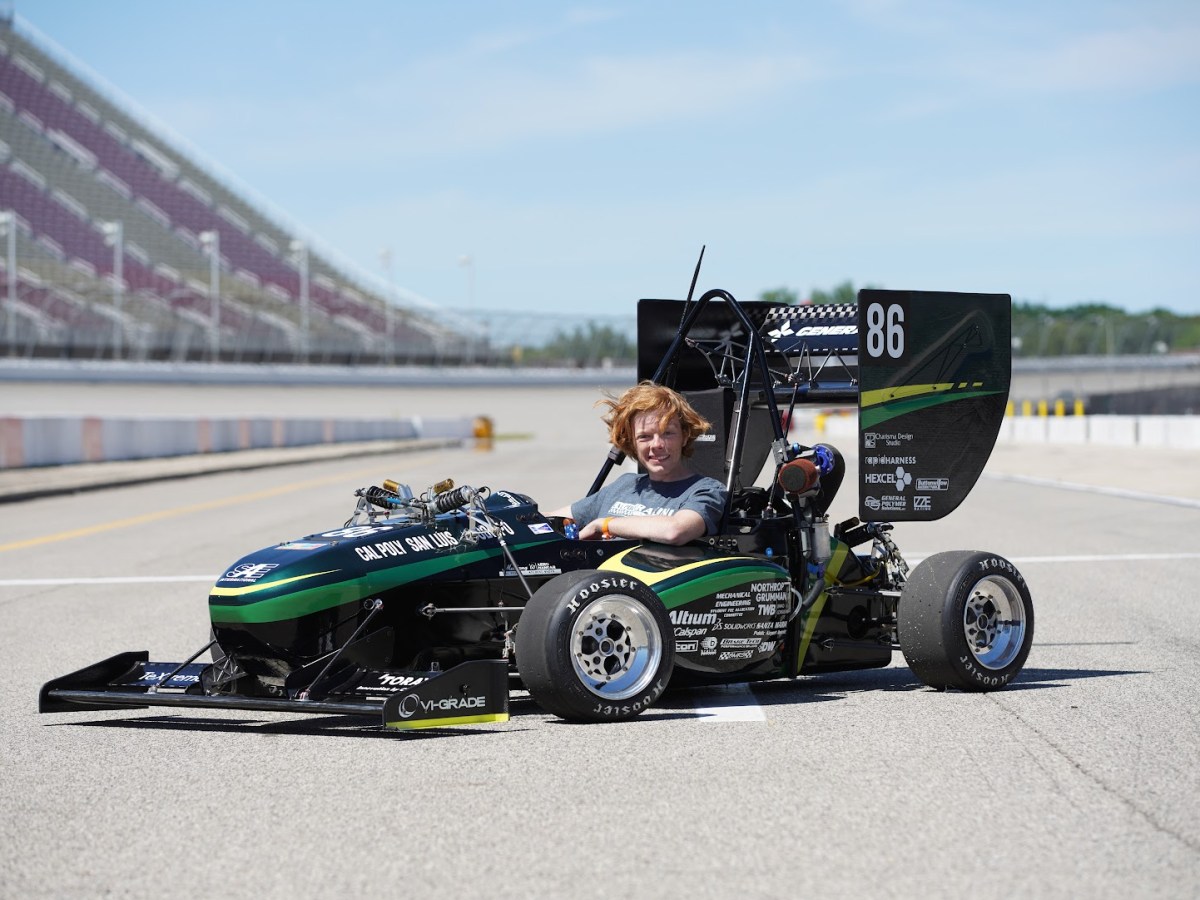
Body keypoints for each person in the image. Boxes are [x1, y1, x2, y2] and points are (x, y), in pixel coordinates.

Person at [547, 382, 727, 545]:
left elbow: (675, 531)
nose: (656, 444)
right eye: (644, 436)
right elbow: (555, 518)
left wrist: (605, 525)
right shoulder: (625, 485)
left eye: (667, 433)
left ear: (685, 435)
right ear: (632, 442)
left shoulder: (706, 490)